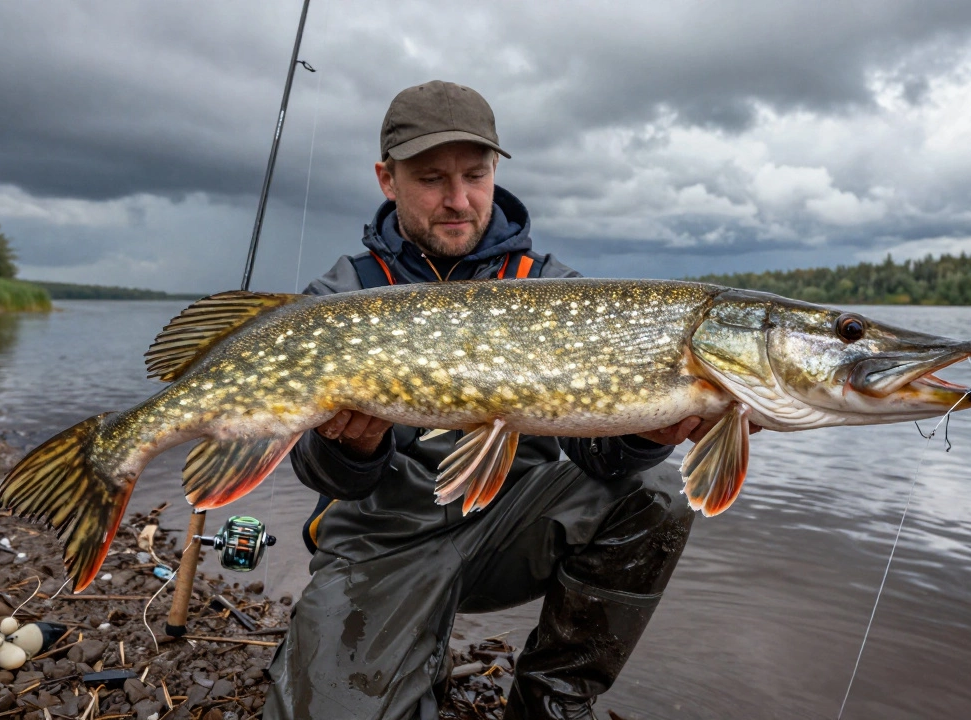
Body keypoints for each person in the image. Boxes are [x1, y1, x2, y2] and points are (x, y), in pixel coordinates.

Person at [263, 80, 725, 720]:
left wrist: (645, 436)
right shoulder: (342, 296)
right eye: (431, 178)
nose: (458, 200)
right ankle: (408, 643)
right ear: (386, 179)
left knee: (656, 495)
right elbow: (317, 471)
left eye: (475, 176)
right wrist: (353, 446)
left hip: (509, 529)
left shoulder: (554, 292)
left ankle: (550, 701)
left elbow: (598, 457)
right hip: (382, 540)